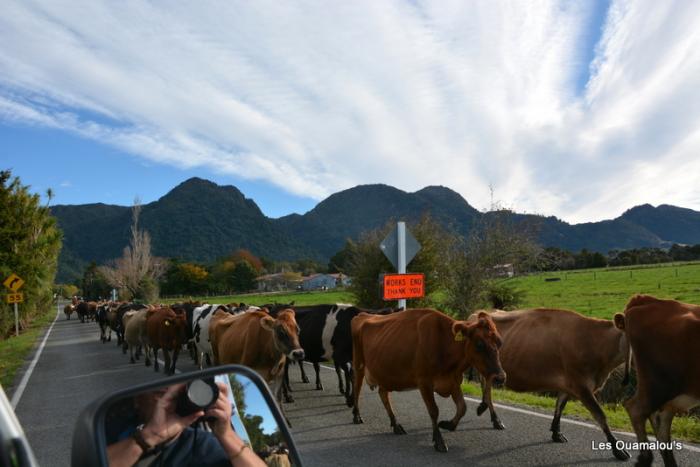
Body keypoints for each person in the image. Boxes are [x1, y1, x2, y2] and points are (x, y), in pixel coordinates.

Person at [107, 382, 265, 467]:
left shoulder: (203, 445)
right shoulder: (111, 431)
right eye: (159, 394)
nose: (167, 401)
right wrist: (150, 436)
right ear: (136, 401)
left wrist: (226, 434)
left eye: (175, 395)